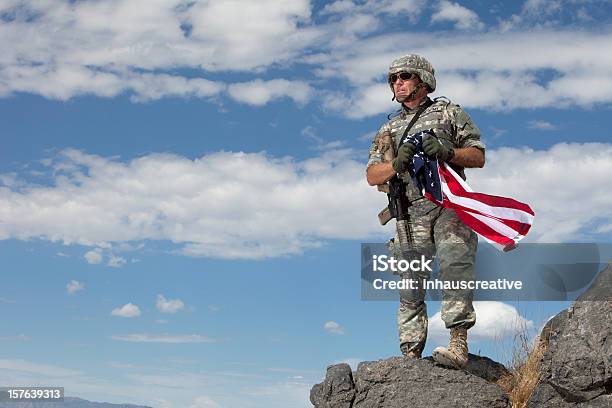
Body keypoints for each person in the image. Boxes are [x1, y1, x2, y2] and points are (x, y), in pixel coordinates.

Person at [366, 54, 486, 369]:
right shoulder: (389, 128)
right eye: (393, 79)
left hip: (448, 203)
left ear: (422, 79)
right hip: (409, 212)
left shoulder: (449, 113)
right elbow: (371, 175)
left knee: (455, 267)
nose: (397, 83)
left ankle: (458, 344)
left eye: (404, 76)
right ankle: (410, 356)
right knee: (410, 282)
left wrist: (448, 152)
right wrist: (395, 164)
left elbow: (477, 156)